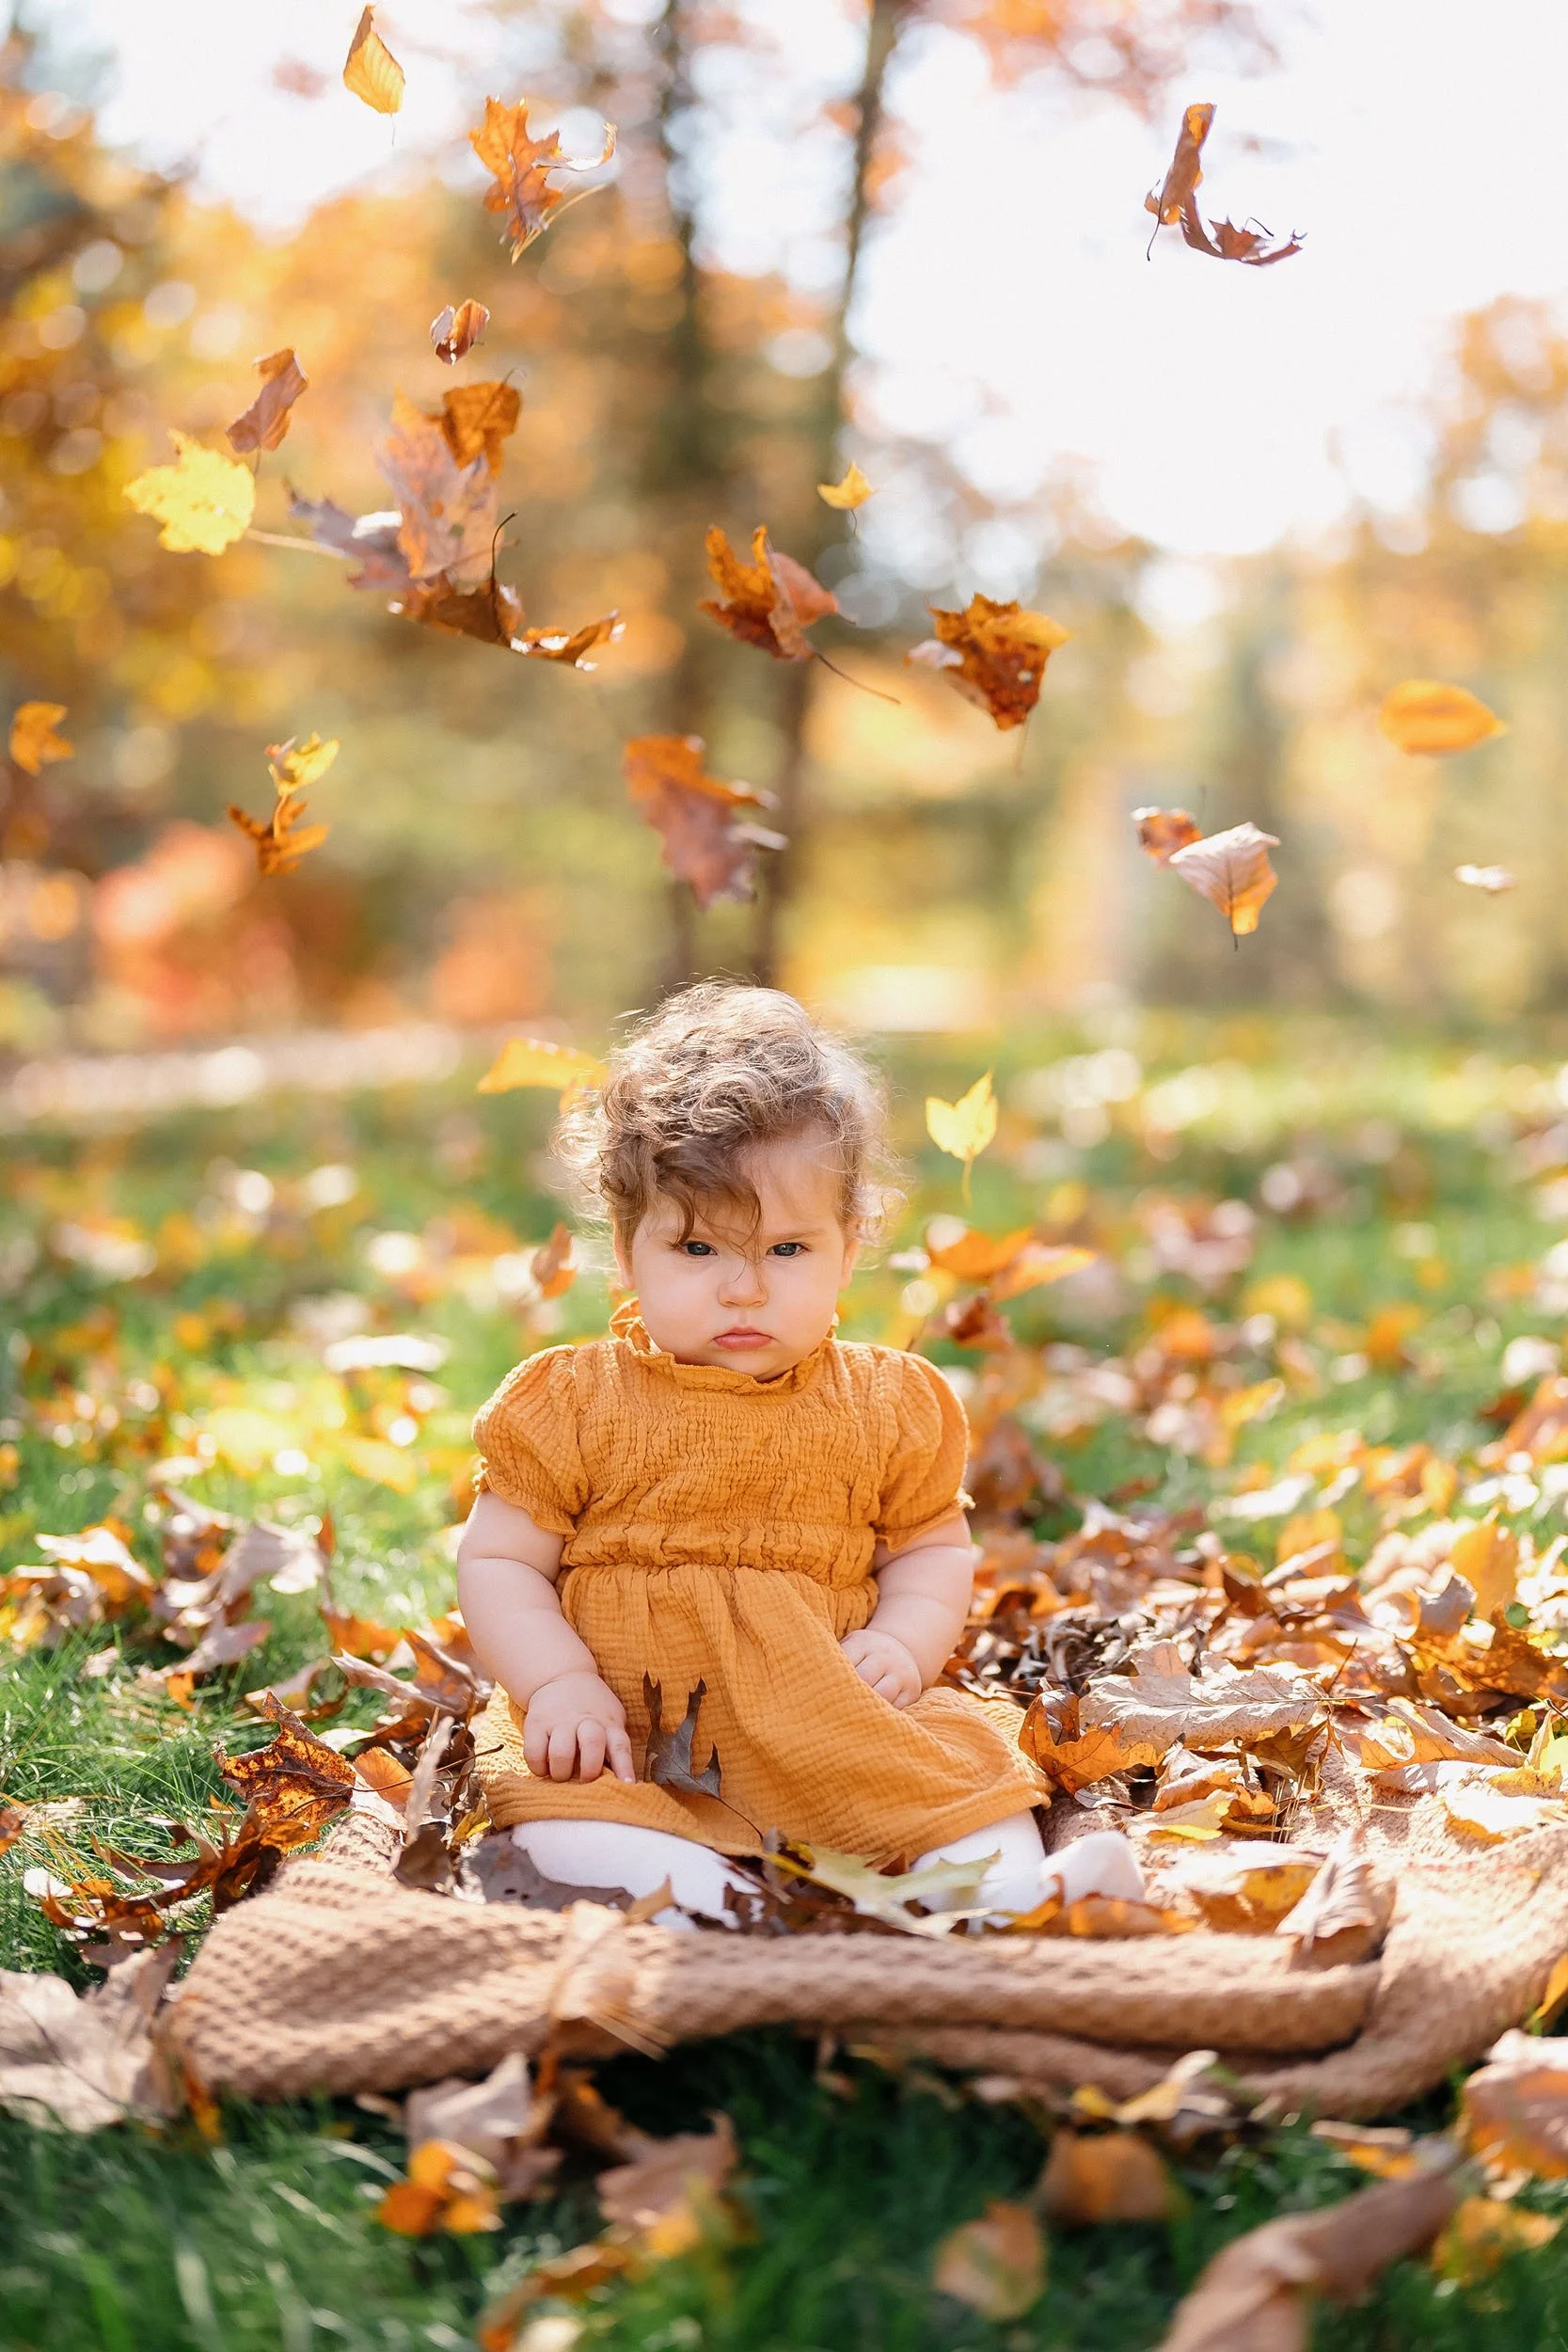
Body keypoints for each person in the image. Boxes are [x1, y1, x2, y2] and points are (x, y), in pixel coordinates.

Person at [458, 981, 1140, 1923]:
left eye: (785, 1250)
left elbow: (931, 1550)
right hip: (637, 1736)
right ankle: (729, 1904)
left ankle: (993, 1899)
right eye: (697, 1250)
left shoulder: (887, 1402)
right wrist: (556, 1684)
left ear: (848, 1245)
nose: (742, 1289)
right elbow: (498, 1560)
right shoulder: (572, 1401)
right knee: (555, 1827)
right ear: (625, 1250)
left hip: (829, 1720)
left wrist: (901, 1642)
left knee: (964, 1781)